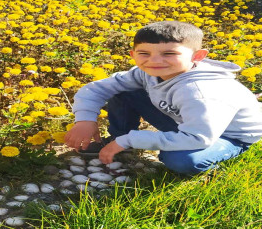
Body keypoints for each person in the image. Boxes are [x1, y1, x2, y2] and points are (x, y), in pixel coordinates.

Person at [64, 21, 262, 175]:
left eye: (169, 53)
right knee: (122, 90)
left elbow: (198, 137)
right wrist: (85, 120)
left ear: (197, 56)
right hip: (189, 121)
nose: (155, 60)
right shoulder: (147, 72)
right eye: (144, 53)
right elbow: (97, 89)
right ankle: (118, 139)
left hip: (226, 135)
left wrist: (131, 139)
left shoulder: (200, 92)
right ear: (133, 54)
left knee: (182, 160)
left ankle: (222, 157)